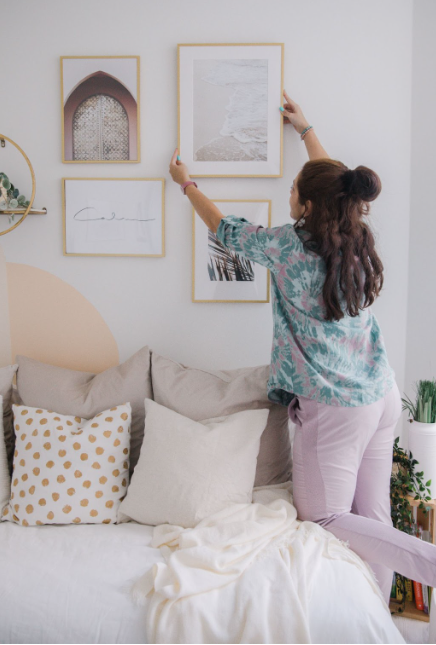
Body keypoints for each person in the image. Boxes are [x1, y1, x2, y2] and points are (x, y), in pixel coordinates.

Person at [168, 91, 436, 605]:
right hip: (381, 393)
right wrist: (306, 129)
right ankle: (377, 624)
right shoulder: (355, 234)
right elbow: (332, 183)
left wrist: (187, 185)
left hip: (336, 408)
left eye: (294, 188)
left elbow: (225, 230)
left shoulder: (288, 247)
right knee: (373, 518)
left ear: (308, 206)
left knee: (328, 517)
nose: (289, 190)